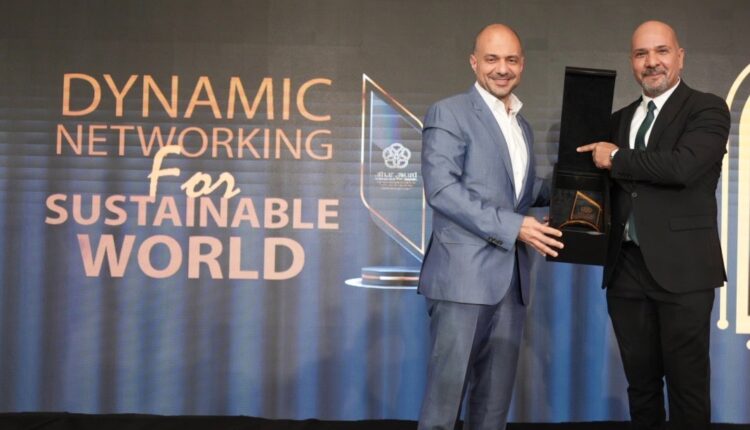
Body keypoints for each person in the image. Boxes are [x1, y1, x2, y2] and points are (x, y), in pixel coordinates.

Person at [577, 20, 730, 430]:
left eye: (661, 51)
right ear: (632, 61)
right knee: (640, 387)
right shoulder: (617, 120)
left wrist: (618, 158)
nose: (652, 62)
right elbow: (596, 188)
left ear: (680, 56)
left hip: (685, 271)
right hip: (626, 269)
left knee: (687, 388)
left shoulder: (707, 109)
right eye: (641, 54)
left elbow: (682, 166)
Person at [418, 23, 564, 430]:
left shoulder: (521, 125)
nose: (502, 68)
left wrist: (576, 182)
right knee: (443, 408)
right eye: (492, 59)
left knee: (493, 410)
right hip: (462, 282)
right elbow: (442, 189)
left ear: (522, 64)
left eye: (511, 60)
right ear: (474, 62)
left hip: (511, 285)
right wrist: (516, 227)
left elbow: (521, 192)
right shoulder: (449, 112)